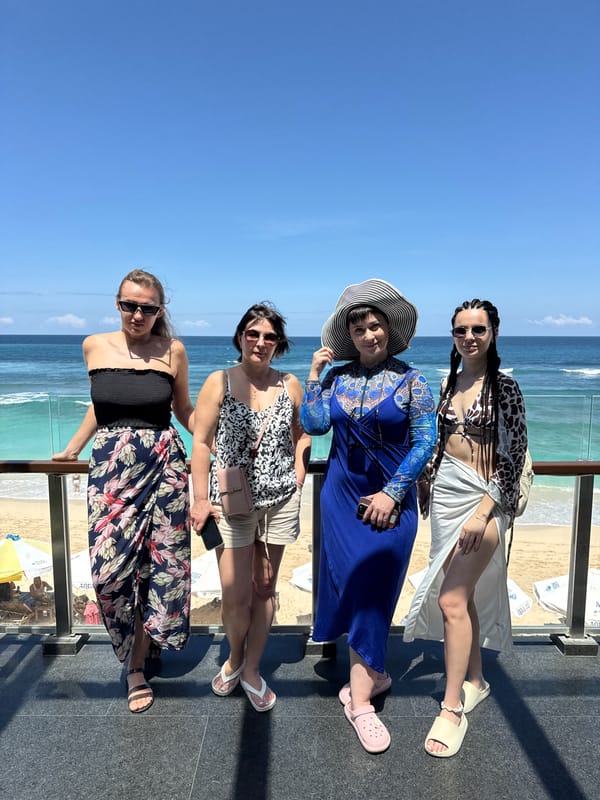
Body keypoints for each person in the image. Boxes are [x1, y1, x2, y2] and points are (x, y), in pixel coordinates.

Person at [300, 278, 436, 754]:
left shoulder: (414, 380)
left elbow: (425, 442)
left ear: (388, 329)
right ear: (349, 336)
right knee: (354, 588)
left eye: (374, 326)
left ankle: (363, 693)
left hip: (389, 502)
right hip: (340, 497)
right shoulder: (337, 378)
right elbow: (314, 425)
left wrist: (393, 493)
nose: (368, 335)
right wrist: (315, 376)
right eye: (358, 329)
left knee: (373, 589)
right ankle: (365, 692)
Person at [52, 268, 195, 713]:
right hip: (112, 469)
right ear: (117, 304)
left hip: (165, 463)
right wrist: (73, 447)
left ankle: (138, 661)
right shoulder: (93, 346)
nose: (138, 314)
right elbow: (102, 405)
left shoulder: (173, 350)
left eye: (147, 308)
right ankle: (139, 640)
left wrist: (219, 444)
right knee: (110, 572)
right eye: (129, 305)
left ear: (159, 310)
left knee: (164, 562)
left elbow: (185, 409)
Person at [403, 299, 528, 757]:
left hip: (483, 504)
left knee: (451, 598)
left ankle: (451, 706)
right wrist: (422, 482)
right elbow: (436, 443)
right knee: (466, 596)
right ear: (453, 335)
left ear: (493, 331)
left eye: (478, 328)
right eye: (461, 330)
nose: (469, 337)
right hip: (444, 497)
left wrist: (482, 513)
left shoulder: (506, 389)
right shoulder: (448, 384)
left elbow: (512, 459)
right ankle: (476, 680)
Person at [190, 302, 311, 712]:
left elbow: (302, 434)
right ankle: (235, 657)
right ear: (240, 337)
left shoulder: (289, 384)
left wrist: (299, 469)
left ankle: (254, 667)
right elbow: (202, 442)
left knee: (264, 587)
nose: (260, 342)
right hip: (233, 502)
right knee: (234, 593)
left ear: (279, 343)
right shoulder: (219, 382)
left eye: (269, 336)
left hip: (279, 501)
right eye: (252, 334)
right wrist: (201, 499)